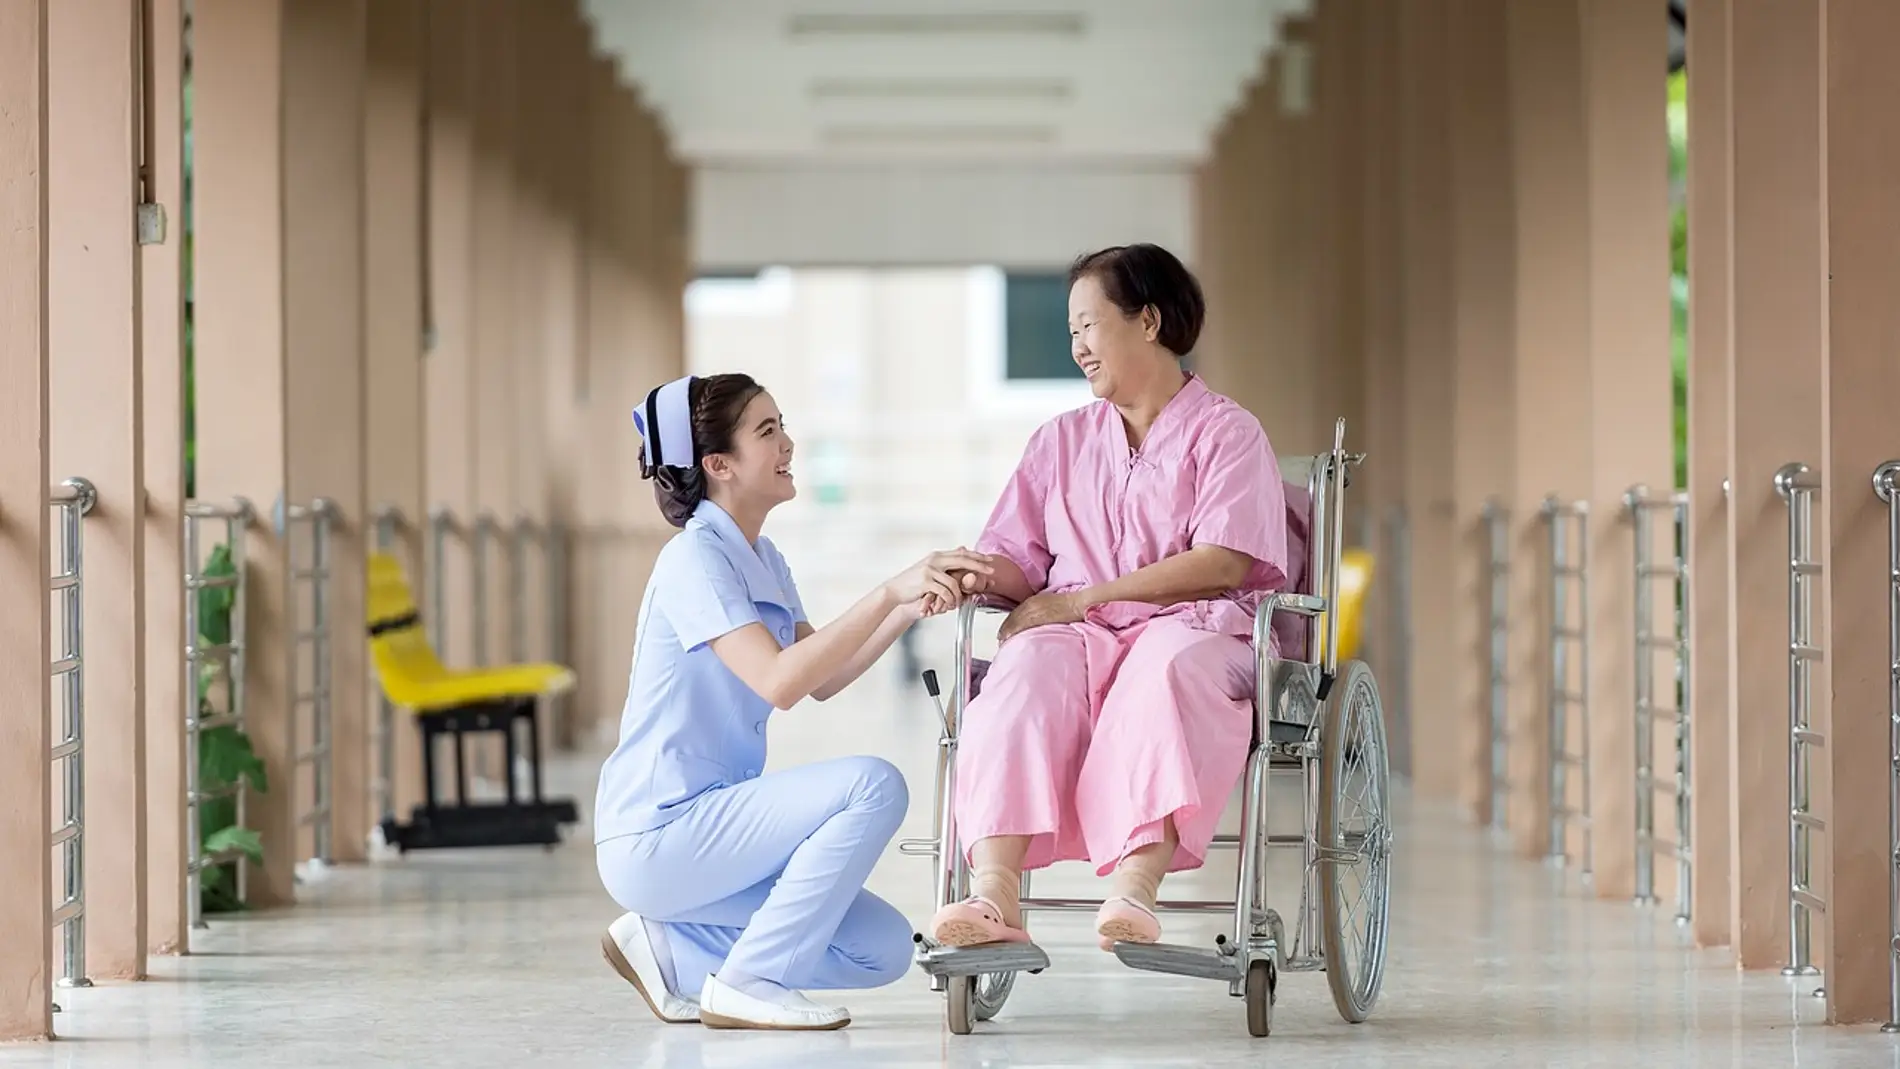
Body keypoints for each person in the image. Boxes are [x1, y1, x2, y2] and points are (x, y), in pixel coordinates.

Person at [595, 372, 996, 1031]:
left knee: (882, 948)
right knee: (872, 785)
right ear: (718, 464)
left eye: (782, 426)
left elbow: (821, 676)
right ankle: (750, 982)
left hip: (709, 828)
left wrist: (906, 604)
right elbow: (779, 681)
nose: (788, 443)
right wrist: (887, 588)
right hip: (659, 830)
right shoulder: (693, 557)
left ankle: (667, 949)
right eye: (768, 430)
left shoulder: (761, 555)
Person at [926, 243, 1290, 954]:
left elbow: (1221, 561)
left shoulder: (1228, 432)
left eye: (1088, 326)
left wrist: (1085, 597)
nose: (1078, 347)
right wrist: (978, 574)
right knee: (1024, 671)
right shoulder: (1058, 441)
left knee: (1164, 666)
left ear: (1148, 320)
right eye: (1072, 332)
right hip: (1080, 630)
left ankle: (1134, 887)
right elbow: (1022, 562)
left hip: (1197, 626)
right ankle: (993, 891)